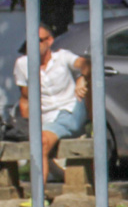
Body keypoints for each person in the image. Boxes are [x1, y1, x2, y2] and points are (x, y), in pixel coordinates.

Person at [15, 24, 91, 188]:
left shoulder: (62, 57)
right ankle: (41, 195)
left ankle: (38, 197)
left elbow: (86, 63)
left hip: (70, 110)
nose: (34, 45)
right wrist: (26, 126)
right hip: (46, 119)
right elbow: (25, 98)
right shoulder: (22, 64)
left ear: (50, 41)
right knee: (39, 142)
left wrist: (82, 78)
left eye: (39, 40)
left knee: (40, 142)